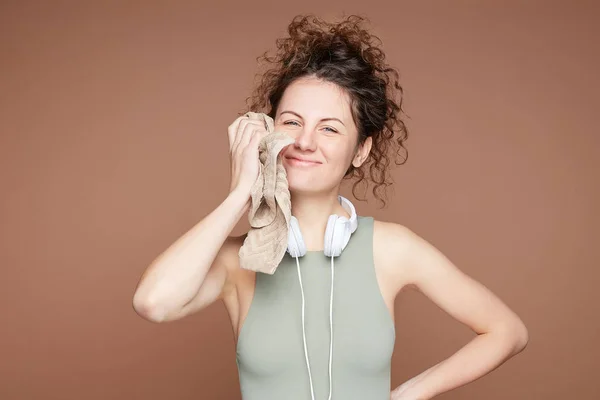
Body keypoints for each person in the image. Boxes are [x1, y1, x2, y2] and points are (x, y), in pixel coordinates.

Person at [132, 14, 529, 400]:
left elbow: (507, 331)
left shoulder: (391, 248)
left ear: (361, 150)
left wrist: (409, 394)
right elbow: (153, 302)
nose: (305, 141)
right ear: (269, 134)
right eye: (291, 122)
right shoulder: (239, 260)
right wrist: (240, 193)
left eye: (329, 128)